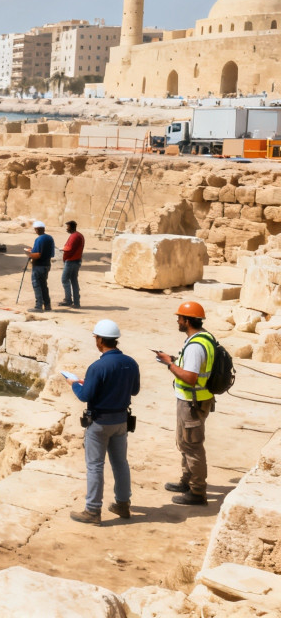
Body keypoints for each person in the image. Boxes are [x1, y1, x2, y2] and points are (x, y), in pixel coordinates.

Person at [67, 320, 141, 524]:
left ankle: (92, 510)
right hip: (121, 421)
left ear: (99, 340)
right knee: (120, 463)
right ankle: (123, 504)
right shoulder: (131, 363)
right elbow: (134, 390)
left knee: (95, 466)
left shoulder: (97, 367)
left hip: (99, 423)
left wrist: (74, 384)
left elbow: (85, 395)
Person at [154, 301, 215, 506]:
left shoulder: (196, 346)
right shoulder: (201, 338)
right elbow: (188, 366)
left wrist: (169, 365)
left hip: (192, 402)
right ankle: (186, 481)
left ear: (187, 321)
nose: (177, 321)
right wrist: (170, 358)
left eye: (179, 318)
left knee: (192, 446)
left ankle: (197, 492)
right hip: (192, 400)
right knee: (185, 442)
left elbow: (190, 377)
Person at [24, 220, 55, 312]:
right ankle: (47, 305)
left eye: (35, 229)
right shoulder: (49, 238)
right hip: (46, 265)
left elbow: (38, 254)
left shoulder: (39, 239)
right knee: (43, 285)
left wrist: (29, 254)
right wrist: (32, 250)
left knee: (37, 285)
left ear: (37, 229)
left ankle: (38, 306)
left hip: (39, 266)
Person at [60, 220, 84, 308]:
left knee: (65, 279)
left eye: (68, 227)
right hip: (76, 261)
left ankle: (68, 300)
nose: (67, 229)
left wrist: (62, 249)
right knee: (74, 280)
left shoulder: (74, 236)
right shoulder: (78, 235)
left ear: (72, 227)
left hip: (71, 261)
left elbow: (69, 248)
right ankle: (76, 302)